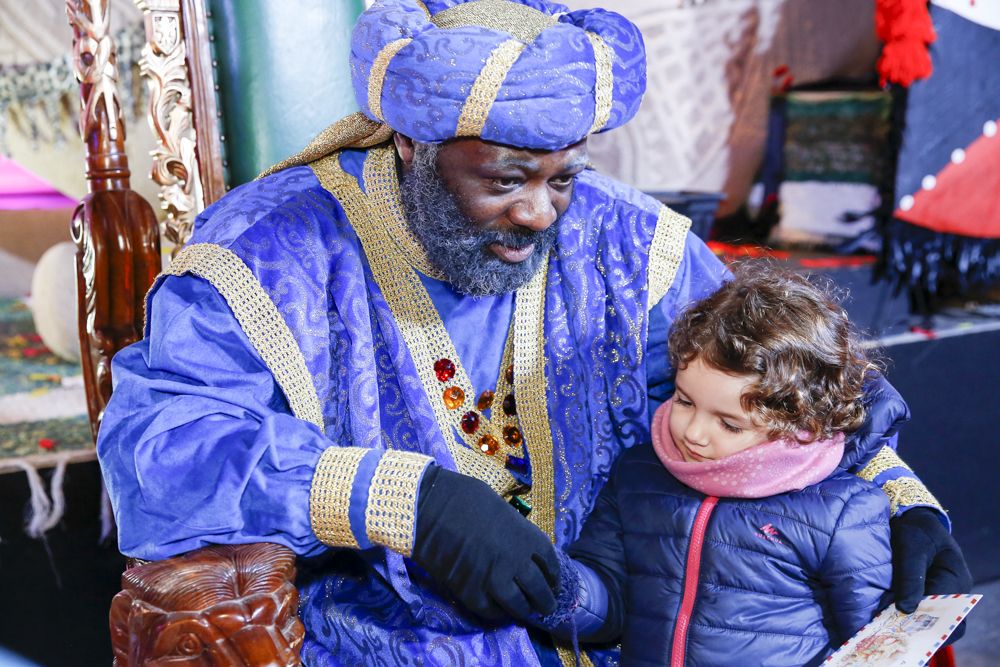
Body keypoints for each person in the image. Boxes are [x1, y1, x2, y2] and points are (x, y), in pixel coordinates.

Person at [96, 1, 970, 664]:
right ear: (410, 143)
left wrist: (901, 494)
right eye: (507, 178)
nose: (538, 212)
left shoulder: (625, 237)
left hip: (643, 622)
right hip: (402, 641)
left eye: (563, 177)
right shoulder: (269, 250)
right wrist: (405, 501)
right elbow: (161, 448)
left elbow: (782, 371)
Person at [523, 264, 895, 665]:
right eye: (684, 400)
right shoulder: (640, 474)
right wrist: (546, 587)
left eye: (729, 424)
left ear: (798, 422)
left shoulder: (841, 511)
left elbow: (874, 646)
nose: (694, 432)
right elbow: (608, 602)